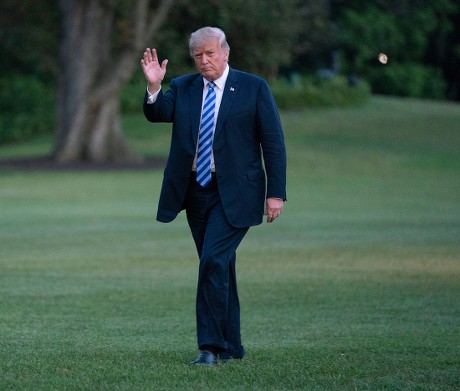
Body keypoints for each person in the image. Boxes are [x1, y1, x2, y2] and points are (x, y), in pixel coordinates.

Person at [140, 26, 287, 366]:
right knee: (219, 267)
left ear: (225, 52)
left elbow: (274, 143)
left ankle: (210, 348)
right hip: (196, 191)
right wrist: (153, 86)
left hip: (238, 192)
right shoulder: (183, 87)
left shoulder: (253, 87)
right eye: (197, 56)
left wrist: (275, 193)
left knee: (212, 262)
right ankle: (232, 346)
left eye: (209, 53)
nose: (204, 61)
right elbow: (158, 113)